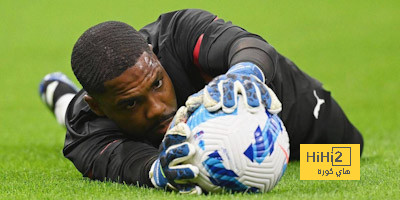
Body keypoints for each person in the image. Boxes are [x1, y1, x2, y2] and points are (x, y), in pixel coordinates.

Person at [39, 9, 363, 194]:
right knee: (74, 112)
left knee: (348, 158)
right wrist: (158, 171)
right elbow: (132, 166)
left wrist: (245, 73)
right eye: (130, 104)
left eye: (157, 83)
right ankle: (65, 99)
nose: (157, 108)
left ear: (155, 56)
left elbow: (247, 44)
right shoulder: (87, 133)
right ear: (99, 106)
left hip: (288, 103)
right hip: (91, 114)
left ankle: (63, 94)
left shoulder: (178, 34)